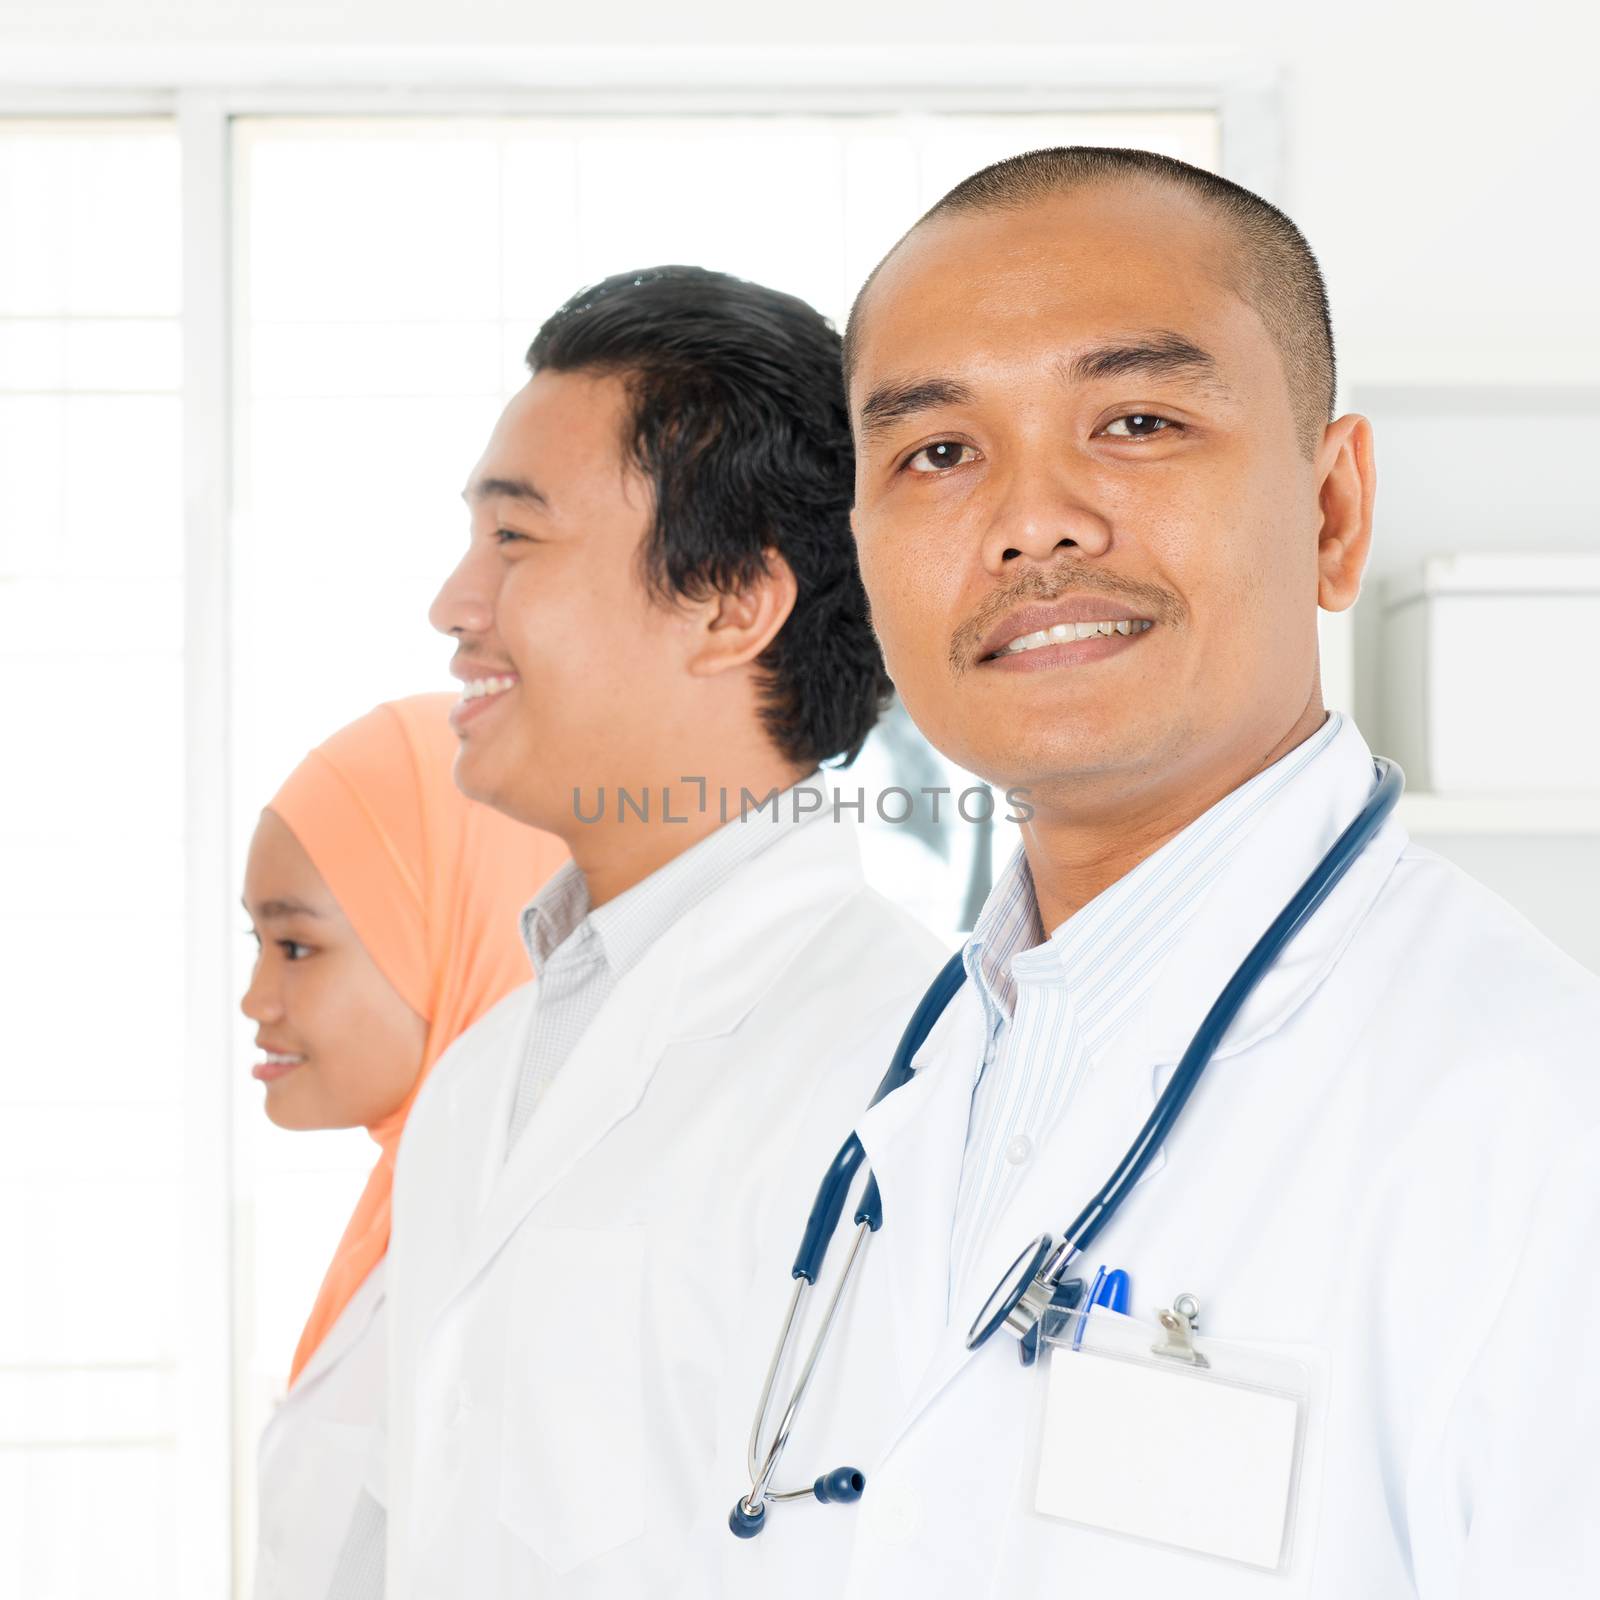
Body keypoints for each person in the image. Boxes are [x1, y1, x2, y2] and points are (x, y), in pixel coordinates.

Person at [690, 148, 1600, 1596]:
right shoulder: (904, 1076)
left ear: (1333, 510)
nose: (1031, 520)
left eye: (1136, 420)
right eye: (936, 452)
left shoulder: (1541, 1121)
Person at [370, 267, 947, 1598]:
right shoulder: (483, 1074)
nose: (455, 604)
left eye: (515, 539)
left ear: (732, 603)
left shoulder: (912, 1069)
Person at [239, 692, 567, 1600]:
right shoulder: (406, 1221)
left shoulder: (541, 1264)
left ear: (450, 929)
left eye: (296, 946)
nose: (254, 998)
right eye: (255, 942)